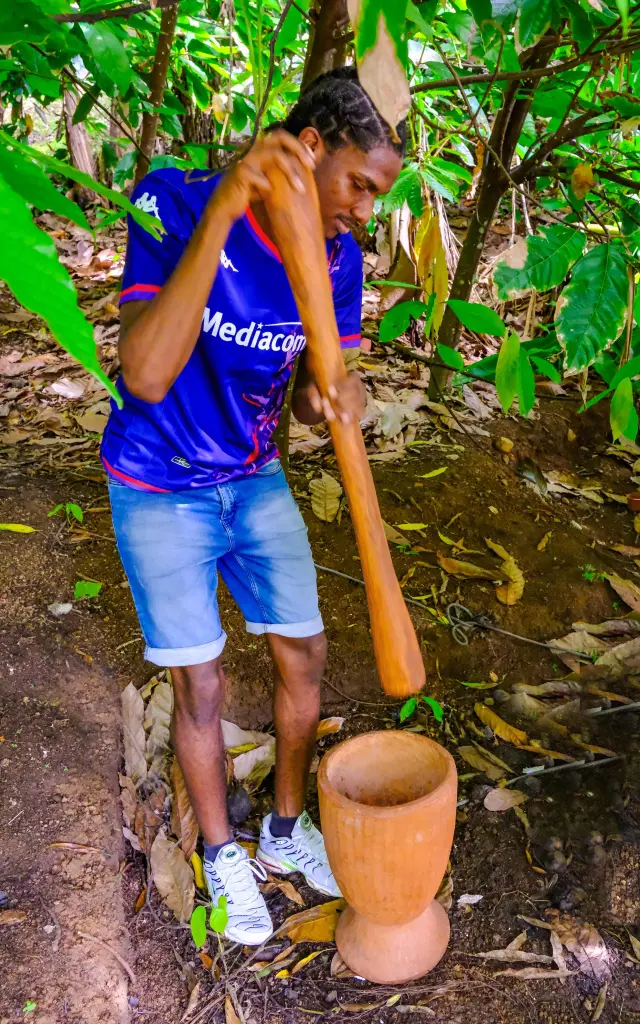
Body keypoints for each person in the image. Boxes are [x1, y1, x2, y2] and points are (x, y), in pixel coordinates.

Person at [103, 66, 405, 944]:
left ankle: (282, 827)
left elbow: (311, 393)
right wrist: (229, 207)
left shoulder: (338, 259)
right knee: (200, 680)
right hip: (159, 481)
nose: (365, 210)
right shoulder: (174, 202)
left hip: (251, 474)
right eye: (359, 184)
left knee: (304, 653)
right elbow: (145, 372)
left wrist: (330, 398)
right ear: (309, 148)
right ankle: (220, 848)